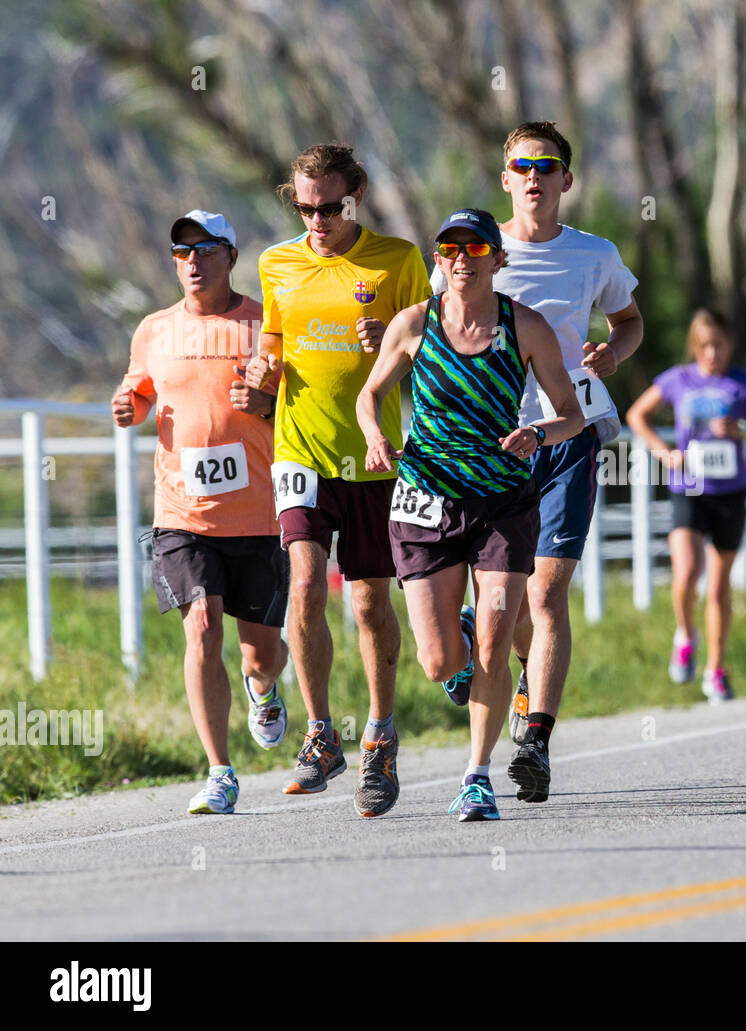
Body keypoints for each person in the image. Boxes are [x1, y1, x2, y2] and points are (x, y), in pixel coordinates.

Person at [431, 122, 642, 804]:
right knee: (508, 594)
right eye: (520, 165)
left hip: (566, 433)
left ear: (565, 180)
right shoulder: (473, 248)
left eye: (545, 166)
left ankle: (537, 743)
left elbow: (630, 319)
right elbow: (435, 321)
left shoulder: (594, 254)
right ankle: (515, 675)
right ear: (504, 179)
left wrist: (616, 350)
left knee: (547, 593)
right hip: (488, 440)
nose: (533, 177)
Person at [358, 208, 582, 821]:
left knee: (497, 635)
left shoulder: (525, 326)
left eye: (475, 248)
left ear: (497, 259)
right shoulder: (413, 324)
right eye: (450, 248)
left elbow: (572, 413)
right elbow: (370, 393)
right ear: (439, 259)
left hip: (502, 502)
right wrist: (376, 437)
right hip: (426, 498)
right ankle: (456, 632)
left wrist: (538, 433)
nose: (462, 258)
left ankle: (476, 776)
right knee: (438, 664)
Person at [243, 144, 432, 817]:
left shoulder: (400, 259)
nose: (316, 219)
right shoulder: (277, 263)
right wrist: (260, 378)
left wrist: (400, 343)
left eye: (330, 206)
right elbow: (273, 344)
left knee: (370, 605)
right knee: (302, 580)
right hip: (301, 452)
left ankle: (379, 734)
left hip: (378, 457)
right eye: (304, 206)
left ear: (355, 195)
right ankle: (321, 733)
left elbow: (438, 356)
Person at [112, 210, 288, 815]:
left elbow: (300, 405)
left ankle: (263, 689)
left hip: (260, 514)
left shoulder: (266, 321)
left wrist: (264, 403)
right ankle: (220, 771)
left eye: (206, 249)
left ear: (231, 257)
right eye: (181, 252)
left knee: (261, 652)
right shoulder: (155, 329)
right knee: (203, 626)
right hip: (182, 511)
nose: (192, 262)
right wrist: (128, 404)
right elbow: (140, 393)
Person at [625, 308, 746, 701]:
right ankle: (685, 634)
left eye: (719, 345)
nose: (712, 353)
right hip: (689, 487)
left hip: (730, 492)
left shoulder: (745, 384)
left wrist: (740, 429)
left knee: (720, 586)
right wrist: (663, 451)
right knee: (688, 571)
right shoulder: (679, 379)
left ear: (730, 345)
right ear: (695, 345)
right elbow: (637, 414)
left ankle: (716, 670)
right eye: (705, 345)